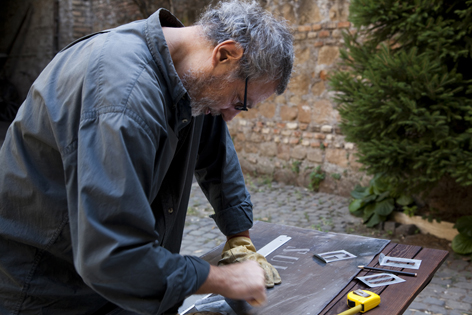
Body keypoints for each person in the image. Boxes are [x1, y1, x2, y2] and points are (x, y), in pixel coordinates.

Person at [0, 0, 294, 314]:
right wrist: (223, 279)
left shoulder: (192, 75)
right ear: (225, 53)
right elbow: (114, 255)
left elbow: (216, 153)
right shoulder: (124, 97)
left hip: (113, 283)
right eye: (239, 102)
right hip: (46, 288)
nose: (231, 116)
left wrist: (239, 237)